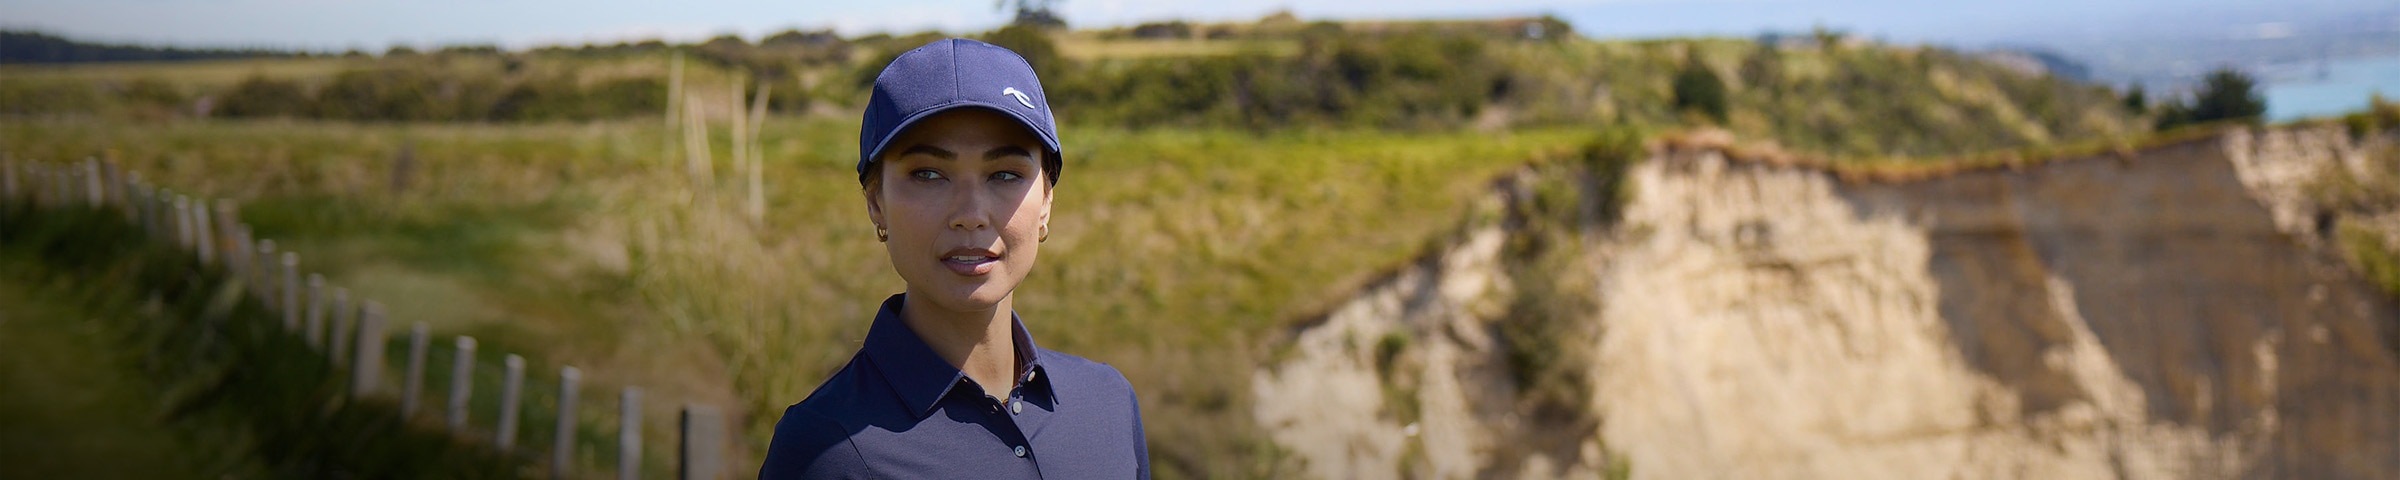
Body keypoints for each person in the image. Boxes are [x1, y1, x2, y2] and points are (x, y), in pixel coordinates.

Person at [758, 38, 1149, 479]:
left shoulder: (1108, 403)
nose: (970, 215)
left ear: (1046, 202)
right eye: (928, 174)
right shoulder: (825, 447)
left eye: (1005, 174)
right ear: (876, 202)